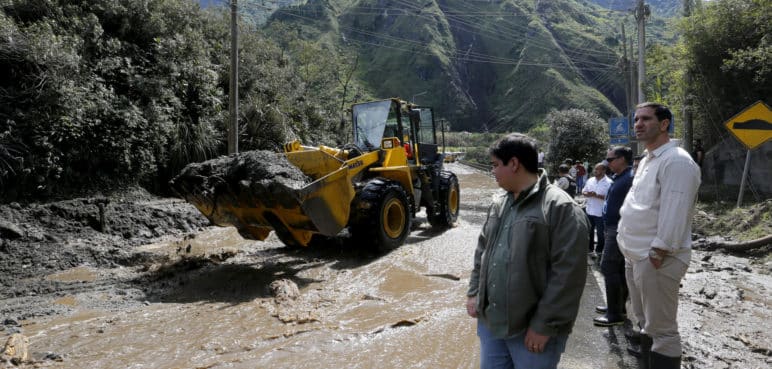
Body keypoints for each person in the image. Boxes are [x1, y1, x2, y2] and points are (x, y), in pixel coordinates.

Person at [466, 133, 589, 369]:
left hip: (531, 329)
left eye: (495, 165)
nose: (492, 172)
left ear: (514, 164)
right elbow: (482, 250)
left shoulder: (559, 207)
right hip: (492, 322)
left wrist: (544, 325)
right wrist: (474, 293)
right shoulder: (500, 202)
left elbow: (568, 275)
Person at [618, 102, 700, 368]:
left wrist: (657, 252)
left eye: (646, 119)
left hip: (656, 258)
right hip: (636, 255)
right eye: (636, 119)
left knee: (662, 329)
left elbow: (675, 212)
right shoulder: (648, 160)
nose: (638, 124)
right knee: (644, 322)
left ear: (664, 124)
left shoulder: (676, 161)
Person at [593, 146, 634, 328]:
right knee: (617, 269)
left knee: (608, 267)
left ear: (622, 159)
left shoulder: (629, 178)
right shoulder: (620, 178)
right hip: (611, 226)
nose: (607, 163)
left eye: (610, 160)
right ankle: (617, 307)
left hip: (618, 228)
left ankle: (614, 314)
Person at [583, 163, 612, 258]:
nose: (595, 171)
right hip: (589, 210)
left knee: (600, 233)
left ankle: (599, 250)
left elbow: (609, 198)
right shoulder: (590, 180)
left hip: (600, 212)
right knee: (589, 231)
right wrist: (587, 193)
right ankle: (590, 249)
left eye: (598, 169)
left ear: (604, 171)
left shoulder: (609, 182)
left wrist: (597, 195)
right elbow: (584, 191)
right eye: (595, 169)